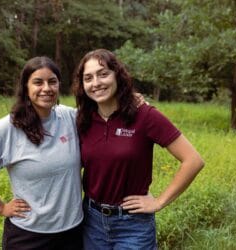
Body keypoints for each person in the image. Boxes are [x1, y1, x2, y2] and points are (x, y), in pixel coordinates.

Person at [72, 48, 205, 250]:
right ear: (82, 85)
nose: (96, 83)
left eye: (103, 74)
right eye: (88, 78)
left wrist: (159, 202)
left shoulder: (144, 115)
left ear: (117, 76)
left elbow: (193, 160)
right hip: (92, 222)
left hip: (133, 226)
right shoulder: (82, 119)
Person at [0, 56, 83, 250]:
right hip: (28, 236)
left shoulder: (70, 117)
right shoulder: (7, 128)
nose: (46, 88)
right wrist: (1, 208)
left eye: (52, 82)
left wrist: (131, 100)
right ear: (26, 87)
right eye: (37, 82)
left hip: (72, 232)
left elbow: (105, 113)